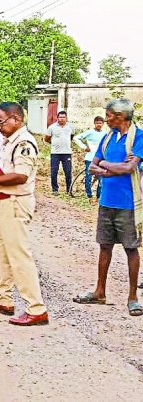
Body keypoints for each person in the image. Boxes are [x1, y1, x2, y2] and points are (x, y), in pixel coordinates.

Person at [0, 102, 49, 326]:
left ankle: (36, 308)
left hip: (16, 203)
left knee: (19, 256)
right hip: (3, 202)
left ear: (17, 119)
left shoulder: (24, 143)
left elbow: (20, 176)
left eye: (2, 122)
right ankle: (3, 299)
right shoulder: (9, 142)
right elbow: (5, 171)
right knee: (1, 255)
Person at [74, 100, 143, 316]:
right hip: (106, 201)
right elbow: (93, 165)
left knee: (131, 248)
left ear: (120, 116)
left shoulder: (138, 137)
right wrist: (110, 167)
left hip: (129, 203)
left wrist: (105, 166)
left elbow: (129, 167)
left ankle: (133, 297)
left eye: (109, 115)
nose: (106, 119)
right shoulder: (108, 137)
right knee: (105, 246)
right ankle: (99, 291)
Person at [73, 116, 106, 201]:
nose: (99, 125)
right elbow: (76, 138)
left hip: (100, 159)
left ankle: (99, 196)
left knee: (100, 178)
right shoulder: (90, 132)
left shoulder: (105, 134)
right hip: (90, 158)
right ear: (94, 123)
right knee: (88, 177)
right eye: (97, 123)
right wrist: (84, 147)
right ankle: (89, 195)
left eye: (100, 123)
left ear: (103, 124)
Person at [44, 111, 74, 194]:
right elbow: (46, 138)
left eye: (63, 117)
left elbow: (71, 137)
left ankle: (69, 189)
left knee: (68, 172)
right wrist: (53, 143)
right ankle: (55, 190)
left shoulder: (70, 127)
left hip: (67, 153)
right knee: (54, 172)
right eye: (60, 117)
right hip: (55, 153)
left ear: (66, 118)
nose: (62, 119)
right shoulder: (52, 127)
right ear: (57, 118)